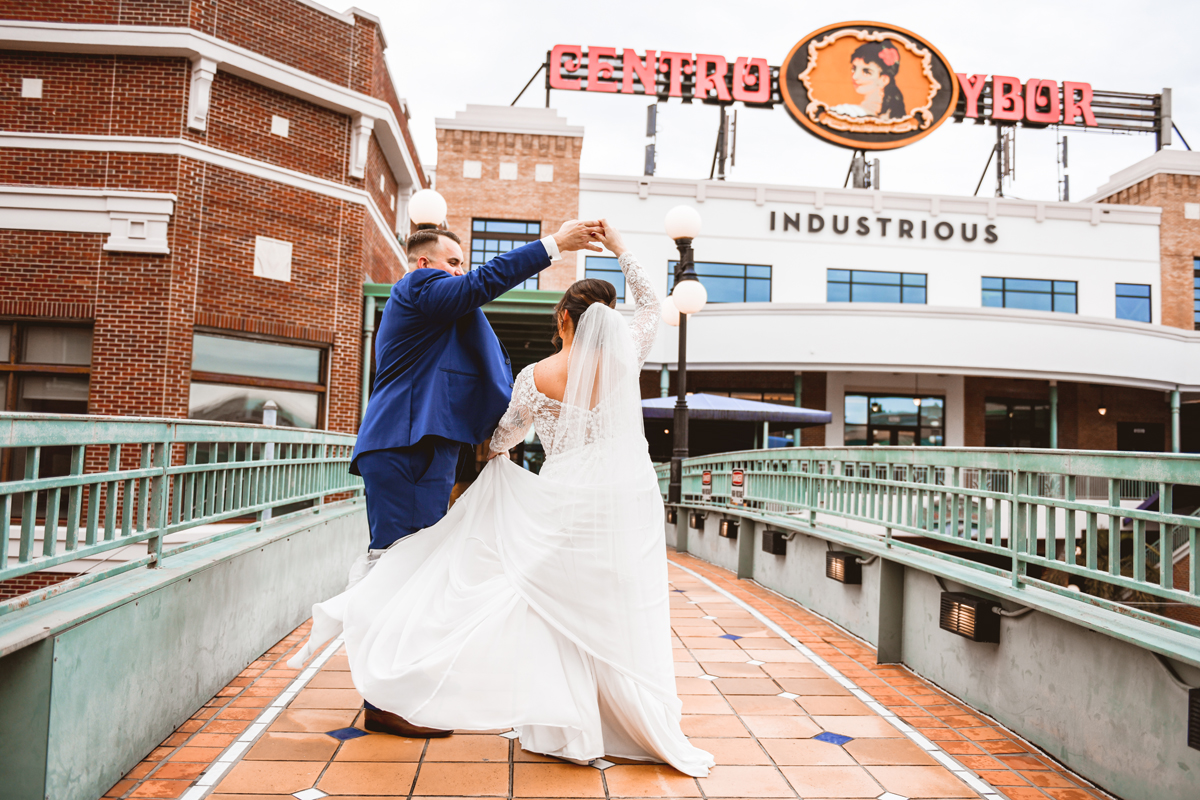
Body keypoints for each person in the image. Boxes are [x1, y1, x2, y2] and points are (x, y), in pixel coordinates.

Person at [290, 221, 714, 776]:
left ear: (563, 319)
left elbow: (506, 431)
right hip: (613, 499)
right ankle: (390, 690)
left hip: (550, 494)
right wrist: (611, 249)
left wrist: (491, 450)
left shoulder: (536, 376)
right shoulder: (622, 357)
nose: (462, 273)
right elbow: (651, 305)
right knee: (602, 601)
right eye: (454, 262)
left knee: (541, 601)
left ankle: (558, 719)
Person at [347, 218, 603, 736]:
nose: (460, 272)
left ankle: (393, 688)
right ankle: (384, 700)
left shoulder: (434, 314)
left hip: (420, 448)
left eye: (461, 263)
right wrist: (555, 244)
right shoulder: (420, 287)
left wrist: (492, 433)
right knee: (402, 568)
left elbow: (466, 372)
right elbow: (477, 287)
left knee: (409, 567)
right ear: (424, 264)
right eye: (453, 261)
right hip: (407, 447)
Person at [830, 39, 906, 119]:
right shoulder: (844, 111)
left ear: (884, 80)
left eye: (866, 72)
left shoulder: (845, 113)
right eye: (854, 69)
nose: (855, 76)